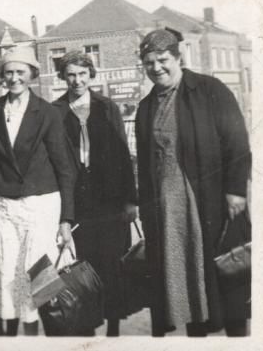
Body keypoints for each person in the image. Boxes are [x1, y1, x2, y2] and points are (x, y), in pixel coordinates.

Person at [135, 29, 251, 337]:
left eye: (162, 60)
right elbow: (145, 168)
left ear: (178, 58)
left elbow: (237, 141)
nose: (156, 68)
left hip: (208, 200)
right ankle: (196, 336)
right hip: (167, 209)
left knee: (225, 273)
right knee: (181, 275)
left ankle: (237, 337)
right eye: (148, 62)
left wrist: (236, 190)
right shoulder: (146, 107)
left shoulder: (209, 90)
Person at [0, 47, 76, 336]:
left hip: (40, 204)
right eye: (8, 72)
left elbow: (64, 167)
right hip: (5, 204)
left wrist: (66, 219)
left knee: (38, 280)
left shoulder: (47, 112)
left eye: (20, 72)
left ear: (32, 75)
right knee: (8, 275)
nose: (14, 78)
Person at [52, 50, 138, 336]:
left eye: (82, 74)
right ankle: (86, 327)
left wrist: (129, 199)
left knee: (111, 262)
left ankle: (113, 328)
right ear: (63, 77)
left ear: (91, 75)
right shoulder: (55, 110)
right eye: (71, 74)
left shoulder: (107, 107)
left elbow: (123, 155)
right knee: (80, 265)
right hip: (75, 198)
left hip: (108, 199)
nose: (76, 80)